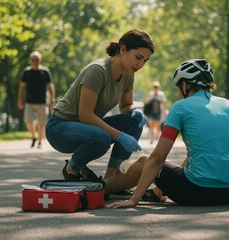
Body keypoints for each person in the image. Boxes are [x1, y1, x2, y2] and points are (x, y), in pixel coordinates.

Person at [107, 59, 229, 208]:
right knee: (195, 153)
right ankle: (156, 192)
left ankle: (102, 188)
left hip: (195, 192)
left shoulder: (181, 107)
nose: (179, 92)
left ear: (185, 85)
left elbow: (158, 157)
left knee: (143, 160)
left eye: (179, 87)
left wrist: (133, 200)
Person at [46, 29, 154, 184]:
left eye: (145, 60)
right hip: (59, 128)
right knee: (101, 138)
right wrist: (120, 136)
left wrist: (135, 111)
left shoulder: (129, 74)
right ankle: (71, 169)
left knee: (134, 121)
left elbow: (126, 106)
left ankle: (111, 181)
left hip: (86, 127)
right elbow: (85, 115)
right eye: (138, 57)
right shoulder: (98, 70)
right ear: (122, 49)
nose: (141, 64)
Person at [18, 51, 56, 149]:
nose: (35, 61)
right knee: (29, 122)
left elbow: (51, 86)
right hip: (29, 102)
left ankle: (39, 141)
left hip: (42, 102)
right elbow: (22, 87)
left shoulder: (45, 71)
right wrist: (20, 99)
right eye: (33, 59)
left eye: (37, 59)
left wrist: (52, 100)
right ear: (30, 60)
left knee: (41, 123)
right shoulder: (26, 72)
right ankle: (33, 136)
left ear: (40, 60)